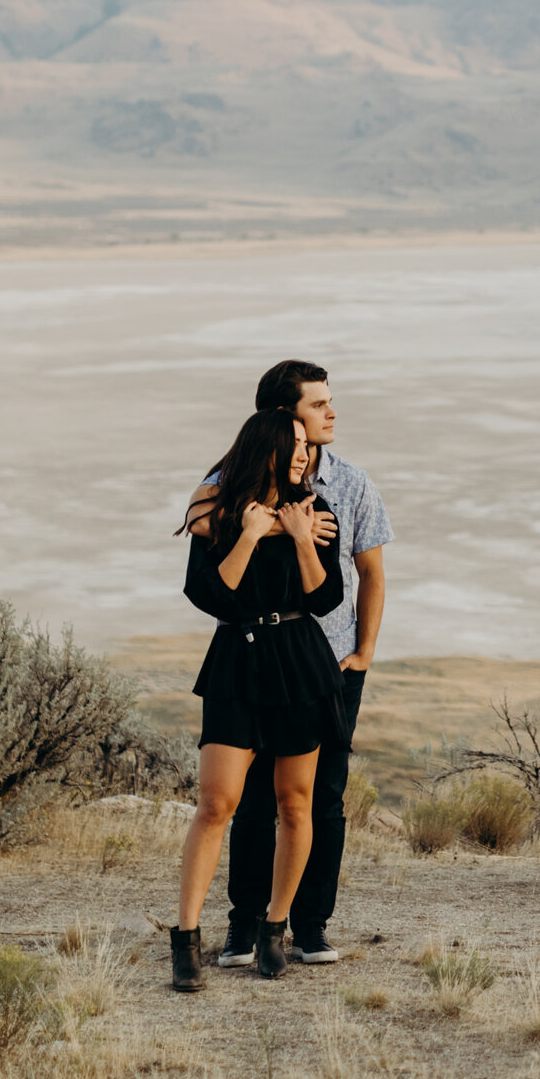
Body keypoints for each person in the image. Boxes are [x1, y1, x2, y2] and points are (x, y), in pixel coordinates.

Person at [183, 360, 392, 969]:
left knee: (318, 800)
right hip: (250, 664)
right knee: (244, 804)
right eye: (317, 405)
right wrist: (268, 530)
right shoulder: (223, 486)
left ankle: (309, 927)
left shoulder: (347, 486)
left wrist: (364, 651)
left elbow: (365, 574)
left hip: (324, 664)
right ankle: (243, 927)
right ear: (280, 417)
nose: (331, 414)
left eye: (330, 403)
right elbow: (211, 582)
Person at [170, 409, 344, 990]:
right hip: (237, 661)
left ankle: (275, 929)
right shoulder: (220, 515)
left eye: (306, 445)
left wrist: (298, 538)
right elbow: (213, 593)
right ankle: (186, 939)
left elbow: (326, 599)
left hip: (299, 659)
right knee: (216, 803)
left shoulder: (316, 513)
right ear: (265, 447)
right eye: (294, 444)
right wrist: (250, 532)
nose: (304, 453)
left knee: (295, 804)